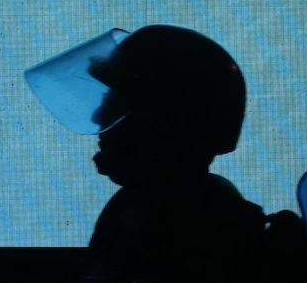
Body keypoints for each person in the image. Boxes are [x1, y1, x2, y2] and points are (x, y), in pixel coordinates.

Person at [31, 25, 267, 283]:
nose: (98, 117)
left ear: (166, 119)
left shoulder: (184, 221)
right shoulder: (151, 202)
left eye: (116, 104)